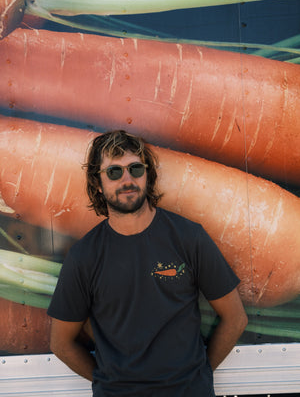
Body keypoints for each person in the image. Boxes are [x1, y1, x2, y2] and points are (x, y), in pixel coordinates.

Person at [47, 130, 248, 397]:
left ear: (148, 175)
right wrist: (107, 382)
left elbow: (235, 318)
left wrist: (198, 376)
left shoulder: (189, 237)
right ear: (97, 183)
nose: (127, 180)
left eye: (135, 169)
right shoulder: (84, 257)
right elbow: (61, 343)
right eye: (114, 172)